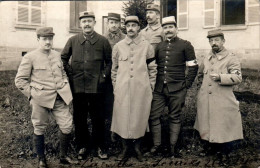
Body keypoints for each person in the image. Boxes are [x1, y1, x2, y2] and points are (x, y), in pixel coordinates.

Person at [15, 27, 77, 168]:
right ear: (38, 40)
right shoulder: (29, 57)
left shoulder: (56, 55)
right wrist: (32, 95)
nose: (48, 42)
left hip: (59, 97)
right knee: (39, 127)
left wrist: (65, 84)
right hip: (40, 99)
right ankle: (41, 159)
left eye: (50, 39)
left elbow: (62, 73)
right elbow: (20, 80)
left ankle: (63, 156)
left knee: (67, 125)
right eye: (44, 39)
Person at [61, 11, 112, 160]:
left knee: (98, 118)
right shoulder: (72, 40)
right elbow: (63, 59)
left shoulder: (103, 41)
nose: (87, 24)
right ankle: (82, 146)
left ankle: (100, 146)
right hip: (78, 88)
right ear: (80, 24)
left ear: (94, 23)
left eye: (89, 21)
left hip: (97, 87)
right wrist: (71, 74)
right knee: (80, 118)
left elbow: (110, 62)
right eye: (84, 21)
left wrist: (103, 75)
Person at [149, 16, 198, 158]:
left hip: (177, 89)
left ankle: (172, 147)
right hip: (159, 89)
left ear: (176, 29)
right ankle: (157, 145)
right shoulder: (159, 46)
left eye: (171, 27)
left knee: (175, 117)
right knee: (153, 116)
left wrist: (186, 85)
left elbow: (193, 67)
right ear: (163, 30)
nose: (168, 30)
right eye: (165, 28)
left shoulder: (185, 45)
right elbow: (153, 65)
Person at [111, 16, 157, 162]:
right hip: (122, 89)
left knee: (140, 117)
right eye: (128, 25)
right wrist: (116, 86)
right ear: (125, 27)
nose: (130, 28)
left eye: (134, 25)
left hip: (141, 89)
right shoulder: (118, 46)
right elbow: (114, 70)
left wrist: (150, 86)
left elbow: (152, 68)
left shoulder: (147, 46)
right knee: (122, 117)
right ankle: (125, 148)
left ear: (138, 28)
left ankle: (137, 148)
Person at [194, 29, 243, 159]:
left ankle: (224, 151)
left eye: (216, 40)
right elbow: (200, 75)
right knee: (206, 123)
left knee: (222, 124)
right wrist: (200, 91)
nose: (213, 43)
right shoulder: (206, 57)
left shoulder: (231, 58)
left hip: (222, 98)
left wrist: (221, 77)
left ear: (223, 41)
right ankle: (210, 147)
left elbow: (238, 78)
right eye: (211, 40)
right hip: (205, 98)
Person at [103, 13, 125, 142]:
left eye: (116, 22)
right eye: (111, 22)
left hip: (121, 74)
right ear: (107, 24)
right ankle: (109, 133)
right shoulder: (102, 38)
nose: (114, 25)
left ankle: (120, 134)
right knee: (109, 104)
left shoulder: (125, 37)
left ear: (120, 24)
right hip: (107, 77)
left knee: (121, 103)